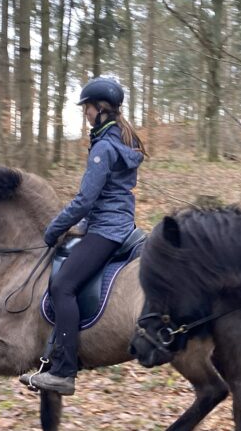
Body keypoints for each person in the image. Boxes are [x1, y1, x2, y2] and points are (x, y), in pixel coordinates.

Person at [22, 76, 147, 396]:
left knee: (63, 286)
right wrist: (82, 225)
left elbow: (85, 200)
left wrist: (54, 229)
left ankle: (63, 372)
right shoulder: (122, 140)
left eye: (87, 108)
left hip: (107, 230)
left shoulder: (104, 147)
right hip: (118, 224)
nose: (86, 114)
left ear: (101, 109)